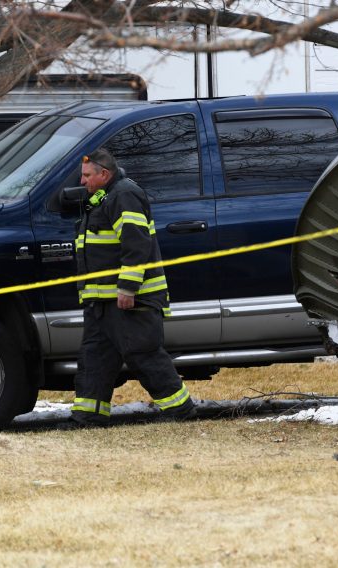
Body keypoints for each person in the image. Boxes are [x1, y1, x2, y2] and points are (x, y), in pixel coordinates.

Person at [70, 147, 195, 426]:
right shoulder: (102, 196)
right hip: (100, 300)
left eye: (87, 175)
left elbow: (136, 244)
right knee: (95, 359)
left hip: (129, 299)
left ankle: (180, 410)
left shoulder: (124, 194)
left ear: (104, 174)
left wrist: (127, 288)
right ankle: (88, 416)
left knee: (143, 354)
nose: (82, 181)